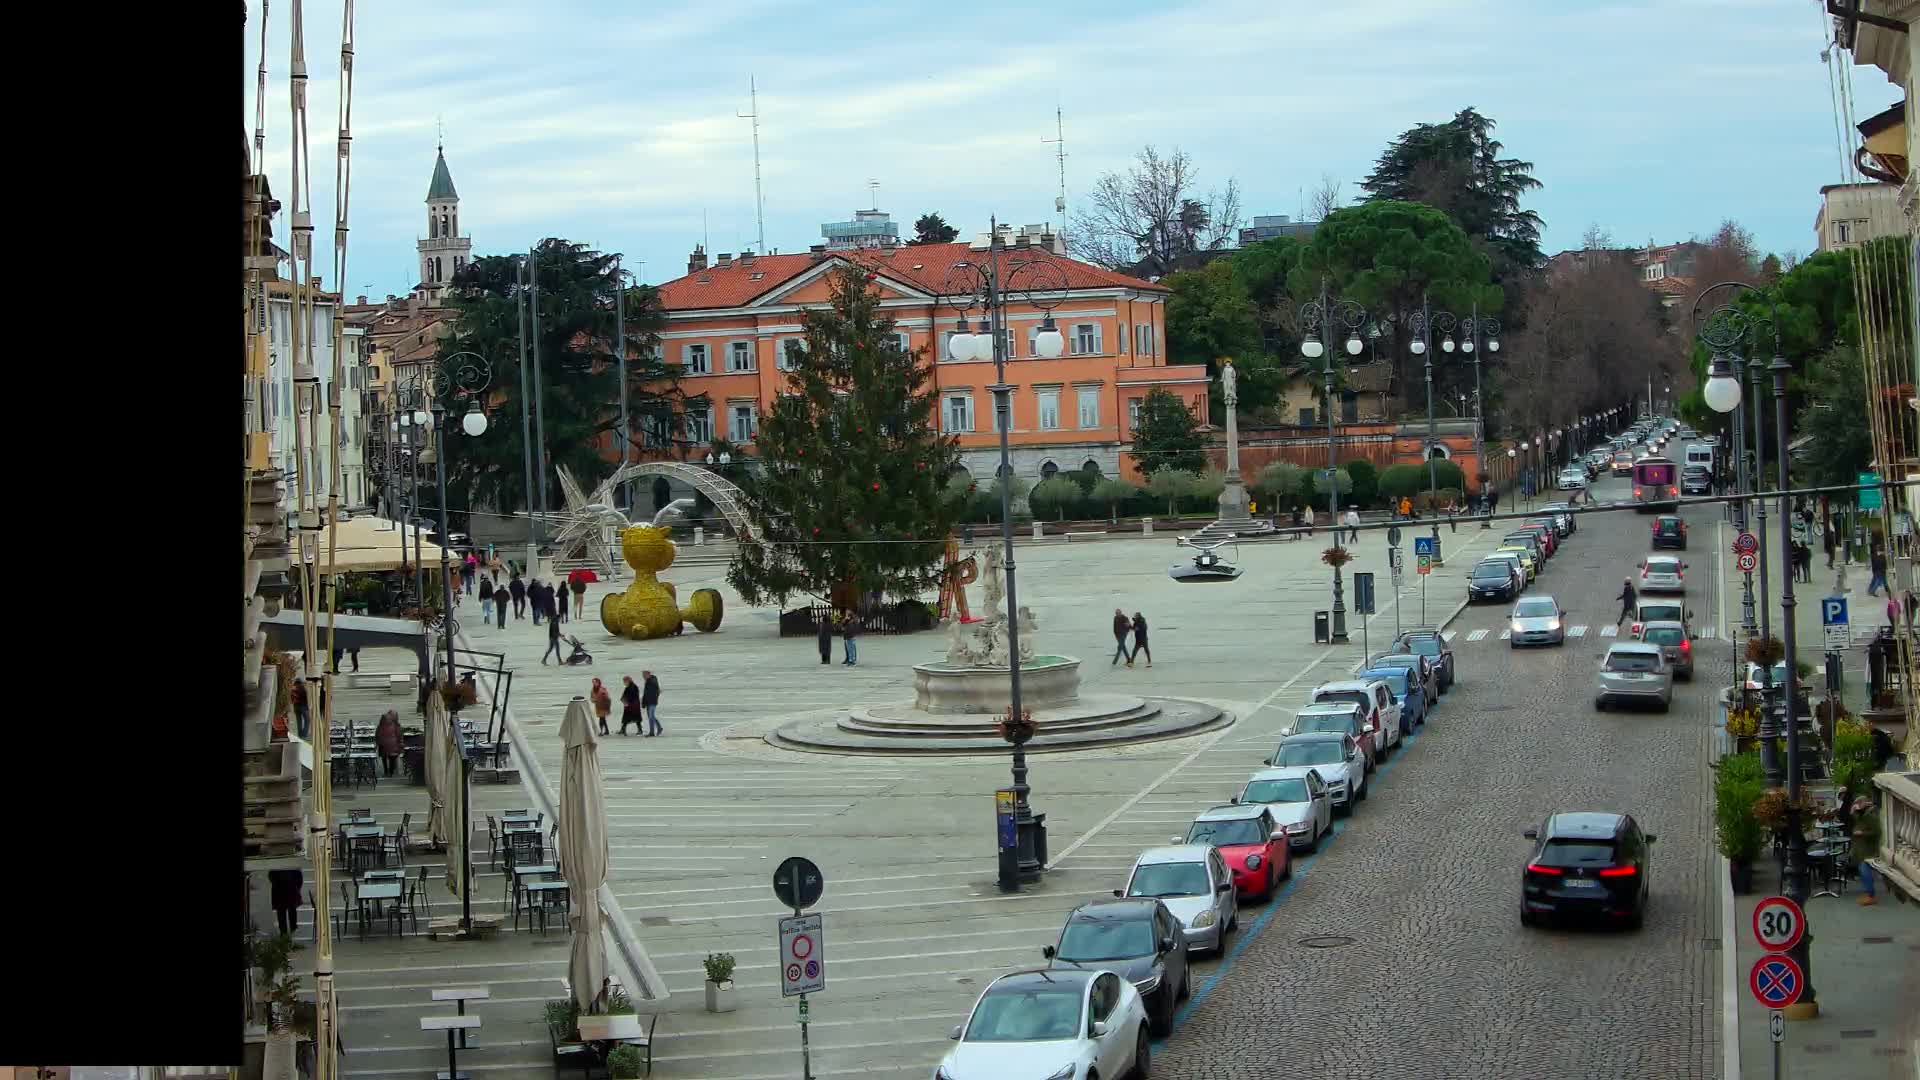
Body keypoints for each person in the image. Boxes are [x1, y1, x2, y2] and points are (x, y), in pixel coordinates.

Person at [267, 867, 304, 936]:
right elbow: (299, 878)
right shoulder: (292, 866)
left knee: (282, 913)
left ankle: (284, 932)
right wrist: (297, 888)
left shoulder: (277, 867)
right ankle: (292, 928)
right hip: (290, 890)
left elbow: (271, 876)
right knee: (291, 911)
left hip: (280, 891)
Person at [375, 709, 403, 777]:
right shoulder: (396, 725)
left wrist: (378, 742)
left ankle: (386, 771)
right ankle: (391, 772)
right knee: (392, 759)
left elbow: (378, 734)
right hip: (393, 744)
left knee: (384, 758)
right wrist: (400, 742)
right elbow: (399, 734)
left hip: (383, 744)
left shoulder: (381, 725)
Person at [641, 670, 663, 735]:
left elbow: (657, 691)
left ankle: (652, 732)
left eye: (644, 675)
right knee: (651, 716)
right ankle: (659, 727)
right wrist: (643, 702)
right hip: (648, 702)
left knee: (651, 716)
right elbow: (645, 693)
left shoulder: (653, 680)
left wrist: (655, 697)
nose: (643, 677)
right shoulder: (647, 682)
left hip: (653, 702)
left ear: (648, 674)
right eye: (643, 676)